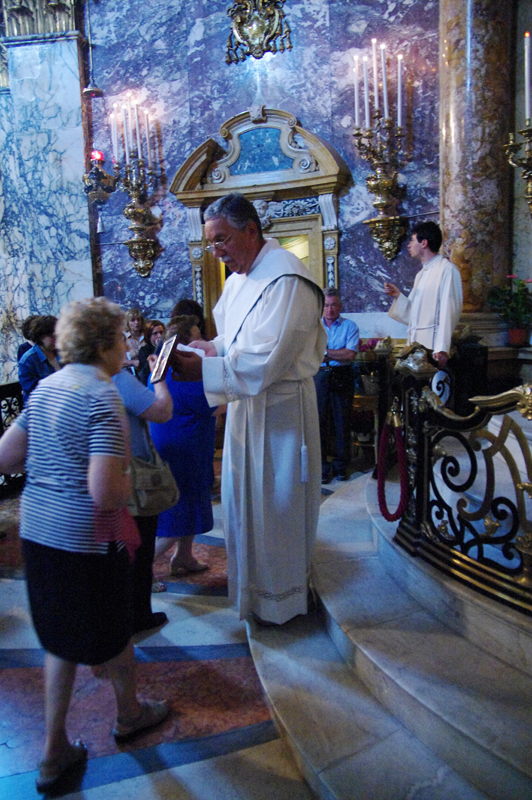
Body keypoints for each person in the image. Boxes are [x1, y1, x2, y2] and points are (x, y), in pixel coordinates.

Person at [0, 297, 168, 793]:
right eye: (121, 338)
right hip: (87, 541)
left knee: (59, 638)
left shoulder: (48, 387)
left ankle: (54, 750)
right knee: (114, 629)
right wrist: (127, 474)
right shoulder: (102, 396)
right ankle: (130, 715)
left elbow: (6, 457)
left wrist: (52, 467)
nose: (127, 347)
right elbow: (105, 493)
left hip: (38, 532)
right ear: (104, 344)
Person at [173, 193, 326, 626]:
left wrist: (203, 370)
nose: (216, 251)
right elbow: (237, 339)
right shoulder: (240, 280)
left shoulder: (287, 280)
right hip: (246, 408)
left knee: (277, 508)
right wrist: (209, 349)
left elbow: (267, 358)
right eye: (210, 243)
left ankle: (282, 601)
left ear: (251, 230)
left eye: (221, 239)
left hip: (280, 413)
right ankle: (254, 597)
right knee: (244, 506)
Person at [149, 316, 216, 586]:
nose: (204, 341)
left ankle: (183, 557)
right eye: (198, 337)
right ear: (185, 346)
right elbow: (214, 405)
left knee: (190, 504)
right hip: (182, 450)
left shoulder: (164, 365)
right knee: (179, 513)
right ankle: (140, 569)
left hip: (188, 445)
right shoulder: (184, 371)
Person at [112, 352, 173, 632]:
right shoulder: (118, 379)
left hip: (100, 478)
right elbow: (162, 411)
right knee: (140, 549)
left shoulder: (68, 382)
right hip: (133, 477)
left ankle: (121, 615)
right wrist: (158, 378)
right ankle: (139, 615)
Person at [384, 221, 463, 368]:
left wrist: (442, 347)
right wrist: (398, 296)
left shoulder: (447, 269)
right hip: (415, 347)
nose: (409, 245)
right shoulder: (421, 274)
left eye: (412, 240)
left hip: (433, 347)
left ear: (424, 243)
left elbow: (449, 310)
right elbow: (413, 314)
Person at [314, 288, 359, 483]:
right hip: (319, 377)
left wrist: (325, 352)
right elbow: (309, 352)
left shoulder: (350, 326)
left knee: (342, 423)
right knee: (319, 423)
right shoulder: (314, 327)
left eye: (333, 305)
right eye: (326, 305)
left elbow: (350, 354)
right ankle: (322, 467)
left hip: (342, 376)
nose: (330, 309)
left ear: (340, 306)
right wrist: (335, 353)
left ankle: (341, 467)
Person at [18, 315, 60, 403]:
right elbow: (32, 391)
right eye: (53, 336)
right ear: (41, 336)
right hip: (41, 406)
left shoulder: (61, 352)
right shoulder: (28, 360)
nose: (57, 339)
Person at [137, 320, 165, 385]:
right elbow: (146, 371)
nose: (159, 335)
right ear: (149, 336)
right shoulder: (144, 351)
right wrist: (158, 348)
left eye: (161, 332)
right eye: (155, 333)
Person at [124, 307, 144, 372]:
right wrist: (133, 362)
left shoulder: (147, 336)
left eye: (138, 319)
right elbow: (118, 361)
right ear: (127, 323)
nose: (136, 322)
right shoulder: (124, 339)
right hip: (132, 372)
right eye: (133, 320)